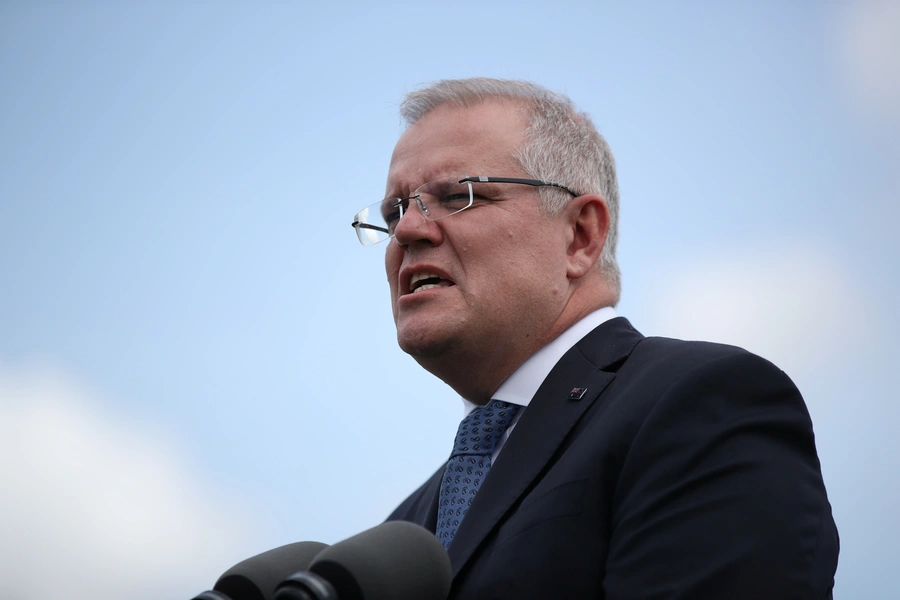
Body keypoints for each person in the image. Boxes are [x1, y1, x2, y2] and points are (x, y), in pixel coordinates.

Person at [350, 78, 839, 599]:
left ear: (580, 235)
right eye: (395, 211)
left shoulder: (700, 404)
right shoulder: (398, 537)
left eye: (457, 196)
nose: (407, 232)